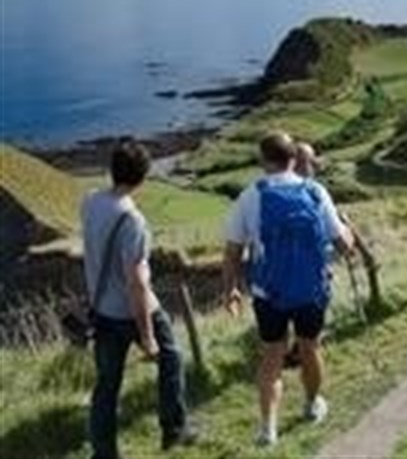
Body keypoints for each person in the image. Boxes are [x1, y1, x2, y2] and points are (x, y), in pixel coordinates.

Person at [222, 132, 353, 447]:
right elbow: (343, 245)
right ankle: (311, 405)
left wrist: (231, 289)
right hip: (311, 289)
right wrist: (348, 230)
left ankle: (268, 429)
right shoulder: (315, 191)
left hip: (269, 293)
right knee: (310, 348)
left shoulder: (251, 195)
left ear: (263, 160)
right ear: (294, 159)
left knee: (272, 357)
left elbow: (233, 251)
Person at [81, 138, 196, 459]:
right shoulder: (132, 220)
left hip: (101, 309)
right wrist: (147, 336)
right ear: (143, 176)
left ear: (112, 170)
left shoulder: (90, 201)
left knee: (107, 385)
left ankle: (104, 453)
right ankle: (174, 430)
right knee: (171, 359)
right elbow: (137, 284)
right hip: (133, 311)